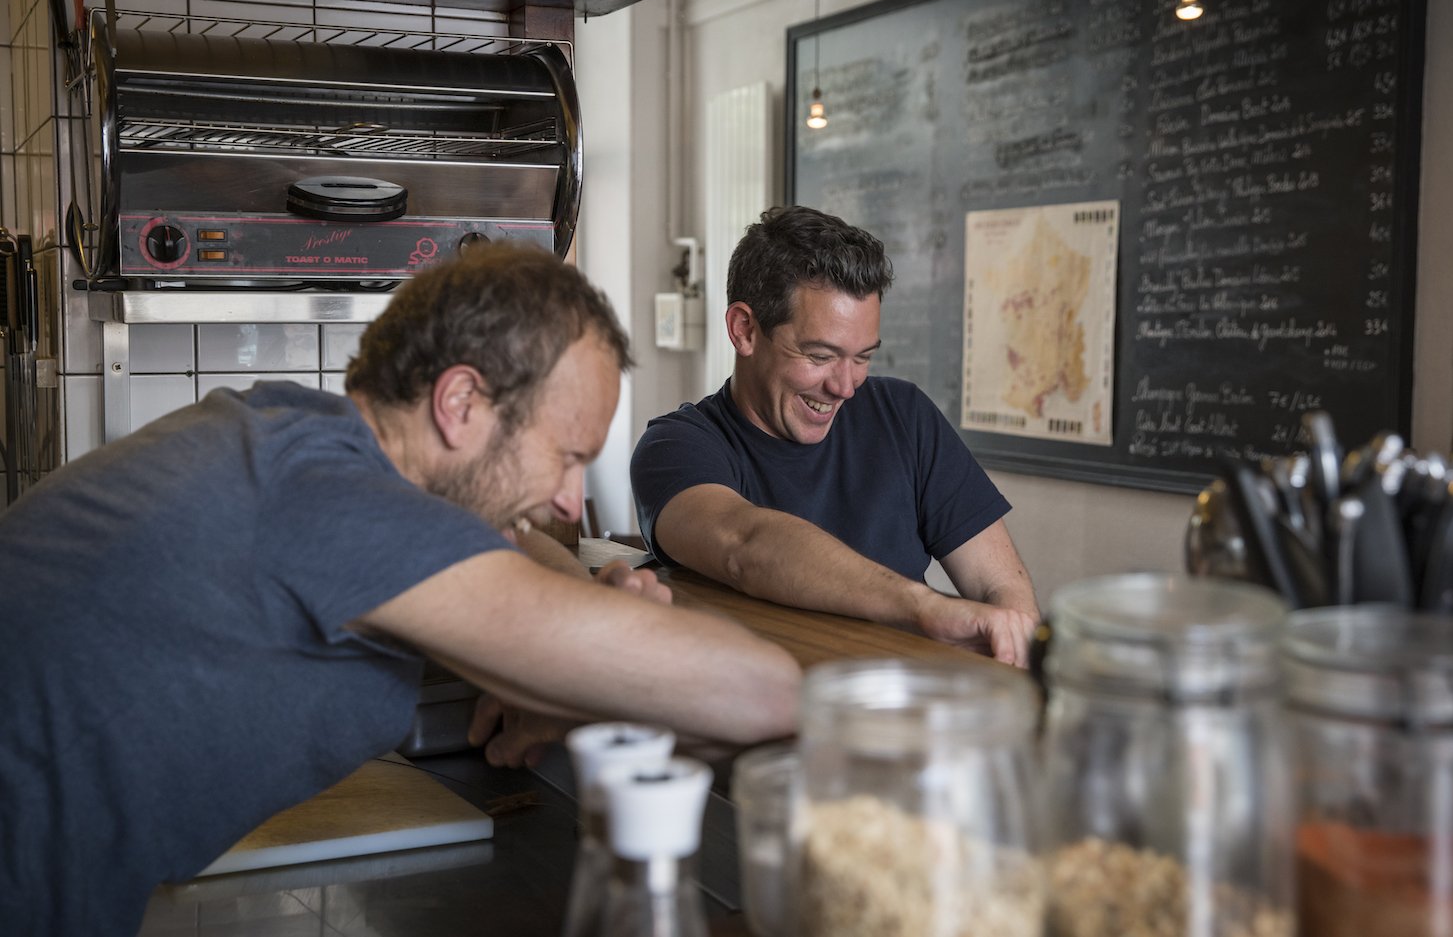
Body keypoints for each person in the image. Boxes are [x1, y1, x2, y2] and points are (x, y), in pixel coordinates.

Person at [0, 241, 800, 936]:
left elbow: (507, 537)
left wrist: (584, 625)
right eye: (564, 454)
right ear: (459, 402)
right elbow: (764, 692)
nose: (569, 499)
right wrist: (593, 640)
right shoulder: (339, 503)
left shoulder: (295, 440)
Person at [631, 206, 1040, 665]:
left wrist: (1015, 663)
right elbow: (744, 547)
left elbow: (997, 585)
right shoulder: (675, 449)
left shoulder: (904, 416)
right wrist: (926, 608)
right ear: (744, 330)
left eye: (863, 357)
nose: (845, 387)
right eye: (821, 355)